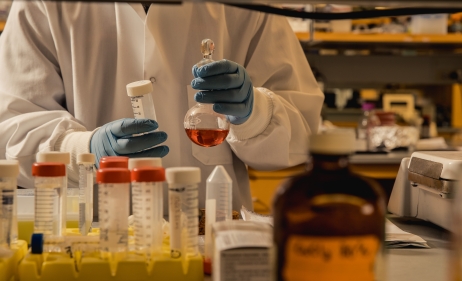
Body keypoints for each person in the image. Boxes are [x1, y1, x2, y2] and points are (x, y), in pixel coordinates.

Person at [0, 1, 324, 213]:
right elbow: (12, 125)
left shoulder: (248, 8)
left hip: (208, 239)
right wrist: (85, 151)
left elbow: (303, 135)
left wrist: (254, 114)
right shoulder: (43, 5)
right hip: (89, 236)